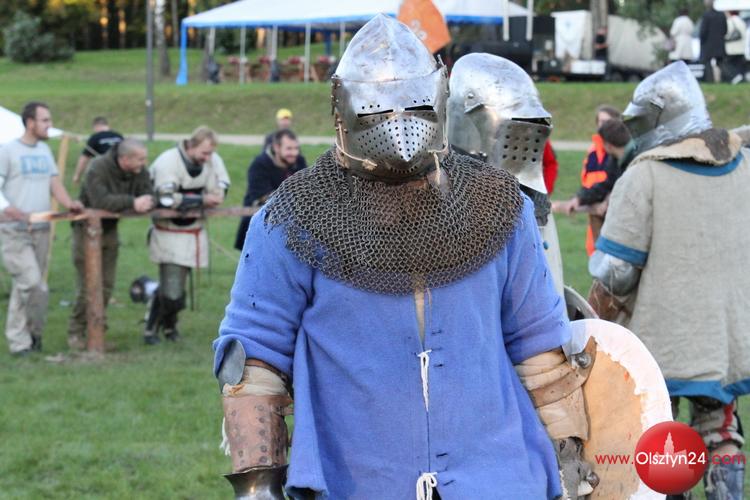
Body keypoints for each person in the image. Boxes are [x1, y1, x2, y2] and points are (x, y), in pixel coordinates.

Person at [214, 17, 600, 499]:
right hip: (356, 479)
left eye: (416, 107)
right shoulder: (293, 218)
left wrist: (569, 459)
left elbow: (541, 350)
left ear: (438, 99)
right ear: (343, 109)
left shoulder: (500, 206)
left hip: (495, 475)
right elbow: (252, 359)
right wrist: (258, 487)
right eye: (377, 112)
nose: (399, 131)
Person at [589, 61, 750, 499]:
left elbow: (617, 273)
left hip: (664, 338)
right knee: (721, 427)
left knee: (663, 433)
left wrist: (595, 308)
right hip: (727, 336)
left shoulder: (644, 175)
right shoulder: (743, 165)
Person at [0, 101, 83, 356]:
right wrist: (8, 209)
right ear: (30, 122)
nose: (50, 125)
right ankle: (20, 341)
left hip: (42, 229)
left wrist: (69, 203)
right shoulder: (8, 151)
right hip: (14, 231)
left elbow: (53, 182)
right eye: (45, 120)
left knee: (28, 286)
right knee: (32, 283)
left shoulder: (44, 151)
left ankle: (31, 337)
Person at [67, 138, 154, 350]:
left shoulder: (139, 170)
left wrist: (148, 200)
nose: (143, 163)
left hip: (110, 230)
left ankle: (97, 332)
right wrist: (132, 202)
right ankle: (76, 332)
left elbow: (148, 191)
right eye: (140, 159)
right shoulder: (97, 168)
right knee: (88, 286)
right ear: (125, 159)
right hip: (86, 231)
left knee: (106, 285)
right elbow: (101, 201)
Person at [146, 126, 230, 345]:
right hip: (169, 233)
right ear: (191, 145)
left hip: (194, 233)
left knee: (177, 288)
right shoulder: (168, 162)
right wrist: (201, 200)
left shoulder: (211, 160)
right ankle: (151, 327)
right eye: (204, 153)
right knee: (172, 290)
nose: (207, 158)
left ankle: (169, 327)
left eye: (210, 153)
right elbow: (165, 198)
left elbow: (219, 189)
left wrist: (206, 198)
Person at [553, 105, 620, 256]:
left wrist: (607, 201)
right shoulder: (592, 151)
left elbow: (615, 182)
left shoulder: (616, 152)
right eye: (600, 122)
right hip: (594, 211)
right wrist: (580, 198)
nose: (602, 126)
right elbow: (590, 183)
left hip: (614, 215)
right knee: (595, 253)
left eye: (607, 122)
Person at [233, 129, 306, 250]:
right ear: (276, 147)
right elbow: (262, 195)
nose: (294, 153)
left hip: (291, 224)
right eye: (289, 149)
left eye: (296, 148)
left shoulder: (299, 161)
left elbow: (305, 189)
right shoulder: (260, 164)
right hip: (260, 223)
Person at [72, 116, 123, 184]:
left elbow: (84, 158)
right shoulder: (119, 136)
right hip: (121, 168)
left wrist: (77, 175)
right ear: (107, 125)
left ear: (96, 126)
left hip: (104, 169)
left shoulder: (95, 137)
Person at [700, 0, 727, 83]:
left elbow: (703, 31)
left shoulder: (706, 16)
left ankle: (710, 80)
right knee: (721, 63)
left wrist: (702, 41)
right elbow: (725, 30)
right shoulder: (721, 15)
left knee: (708, 64)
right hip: (720, 43)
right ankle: (724, 79)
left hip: (708, 44)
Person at [724, 10, 747, 84]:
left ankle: (735, 77)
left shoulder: (729, 21)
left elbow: (726, 33)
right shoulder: (742, 21)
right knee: (739, 65)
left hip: (731, 48)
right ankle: (741, 78)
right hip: (741, 48)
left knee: (728, 64)